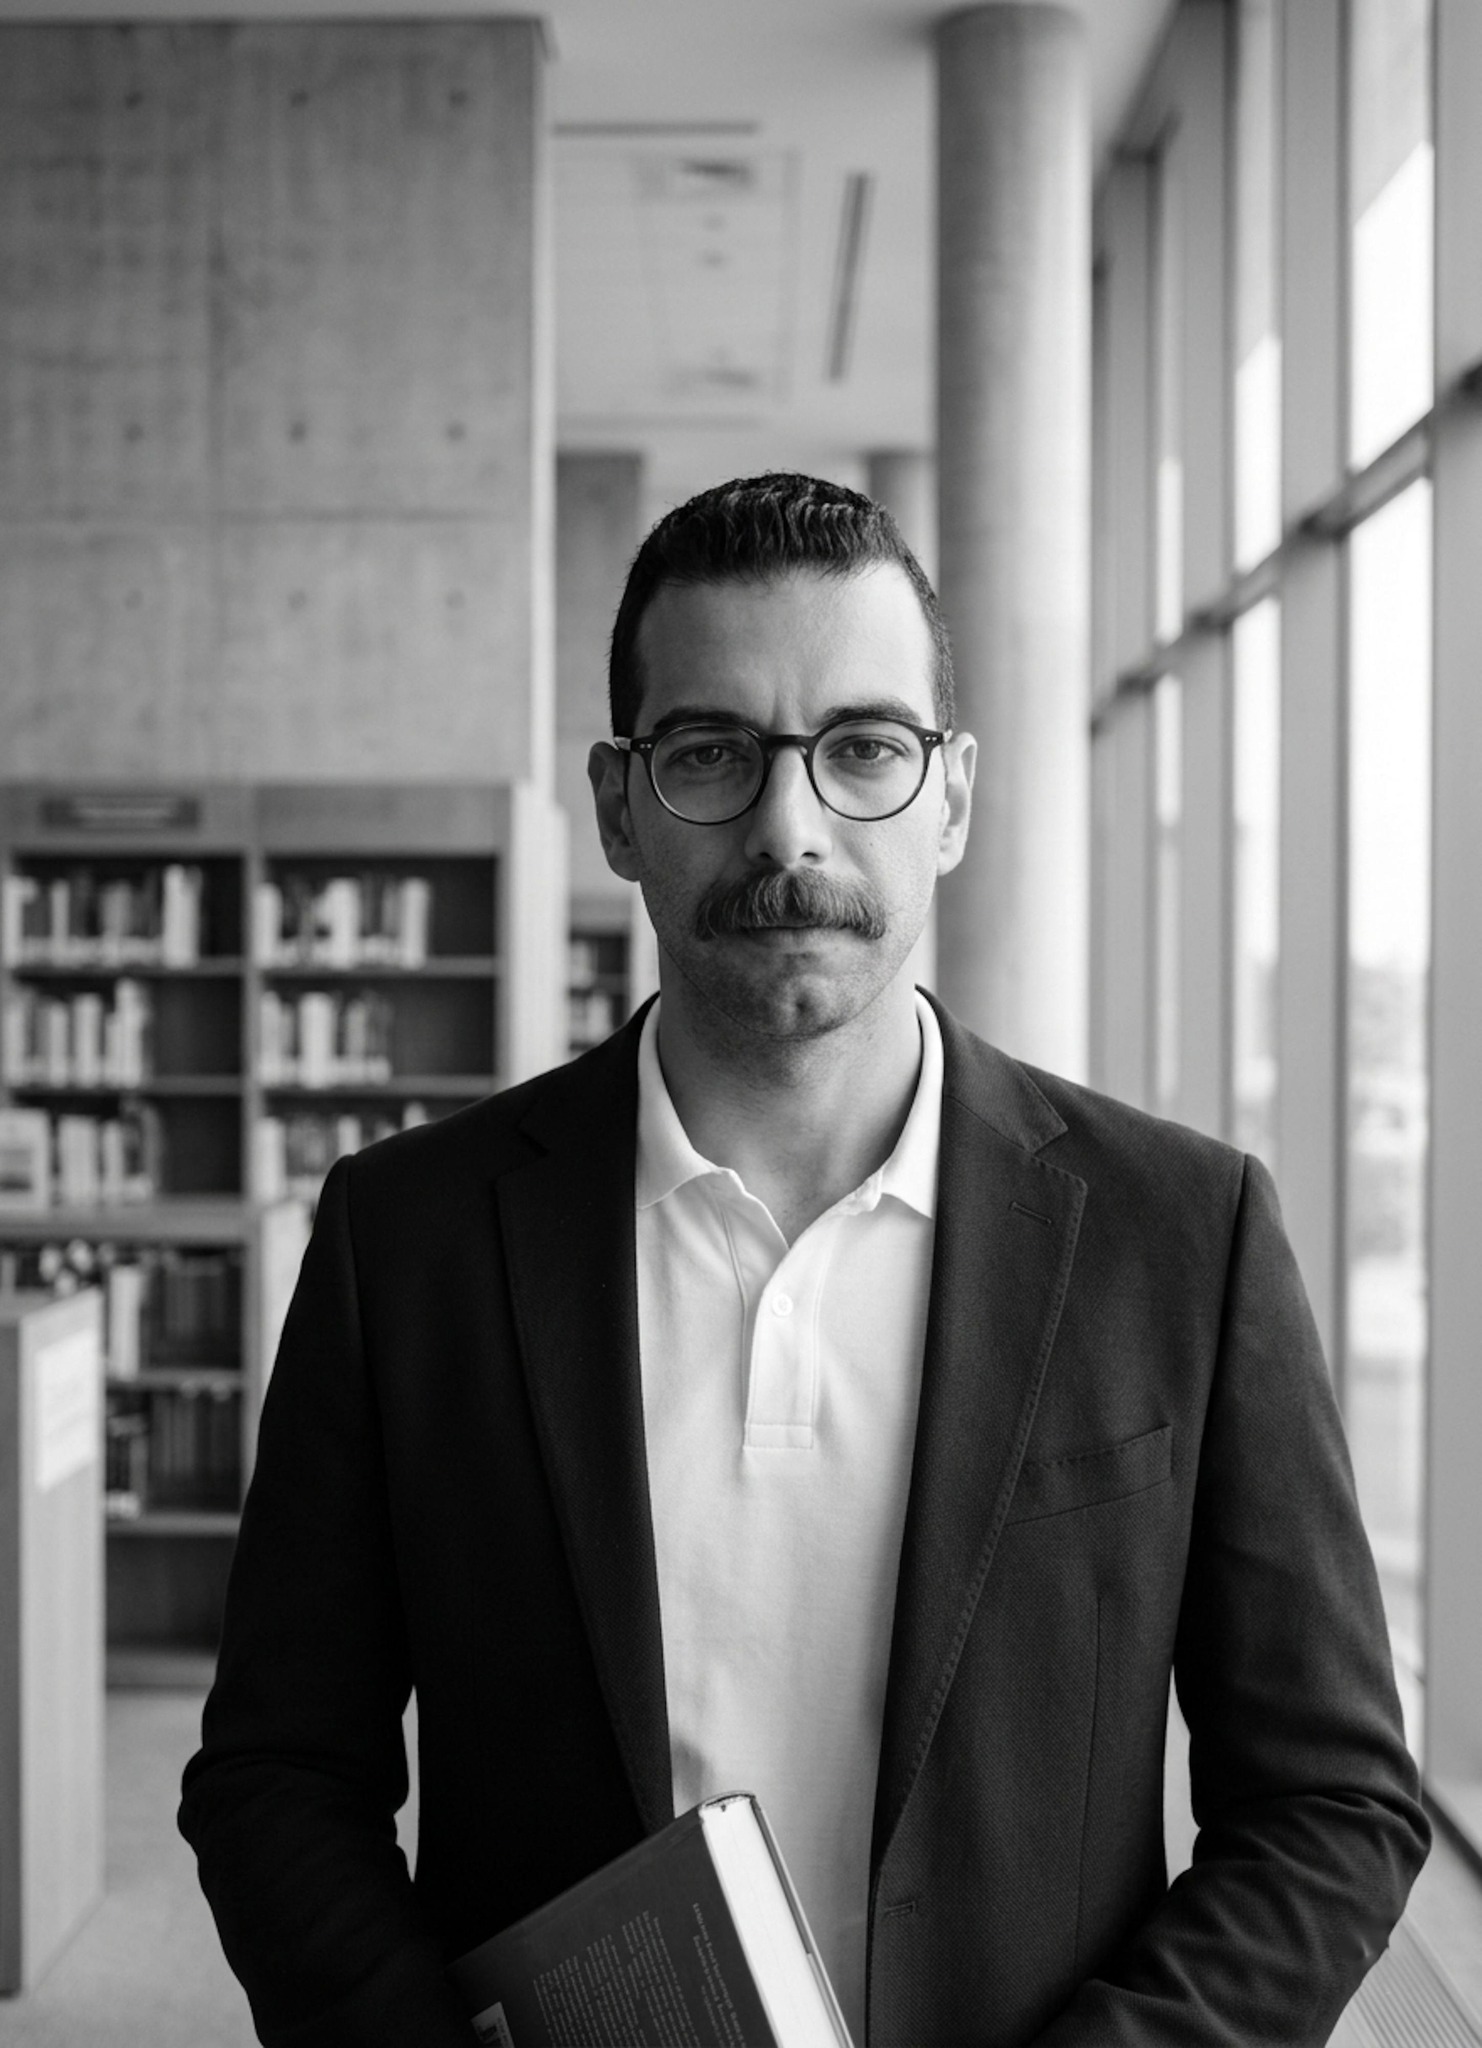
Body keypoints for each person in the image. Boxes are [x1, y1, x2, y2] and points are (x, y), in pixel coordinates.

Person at [180, 472, 1428, 2048]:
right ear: (619, 805)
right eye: (711, 753)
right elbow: (279, 1771)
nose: (790, 828)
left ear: (953, 798)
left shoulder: (1181, 1235)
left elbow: (1327, 1803)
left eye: (863, 750)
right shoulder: (406, 1238)